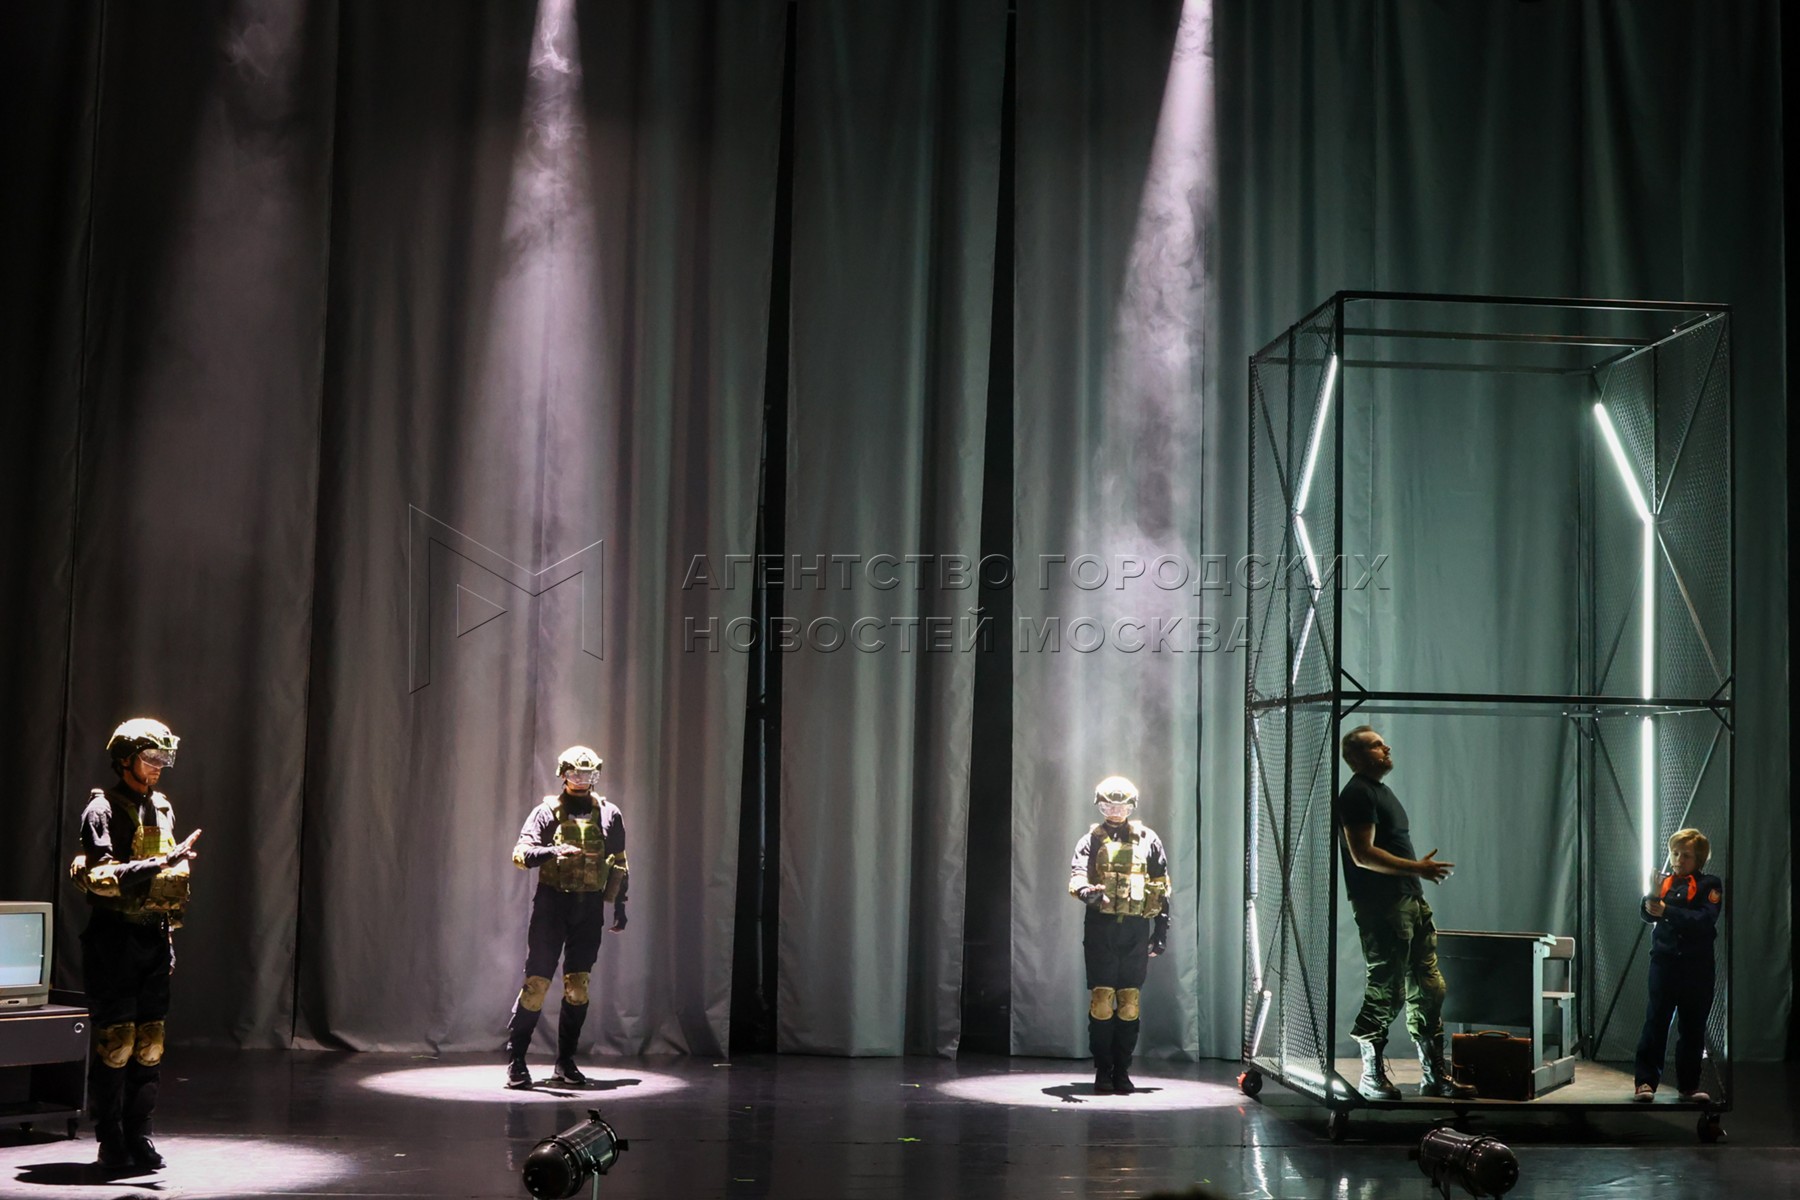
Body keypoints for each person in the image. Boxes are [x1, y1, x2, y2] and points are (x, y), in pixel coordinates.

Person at [67, 718, 202, 1170]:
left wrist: (167, 933)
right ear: (125, 760)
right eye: (151, 758)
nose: (159, 766)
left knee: (150, 1044)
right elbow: (101, 877)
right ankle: (110, 1139)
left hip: (153, 938)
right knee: (118, 1043)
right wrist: (161, 863)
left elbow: (164, 882)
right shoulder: (101, 810)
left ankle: (139, 1134)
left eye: (165, 758)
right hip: (114, 940)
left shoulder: (161, 807)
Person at [1334, 726, 1475, 1101]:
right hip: (1382, 905)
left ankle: (1434, 1076)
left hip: (1409, 899)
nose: (1386, 747)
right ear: (1356, 757)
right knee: (1387, 990)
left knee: (1429, 988)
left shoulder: (1380, 792)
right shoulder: (1357, 794)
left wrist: (1415, 877)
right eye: (1376, 745)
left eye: (1384, 743)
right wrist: (1417, 868)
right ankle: (1371, 1076)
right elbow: (1362, 855)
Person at [505, 746, 628, 1089]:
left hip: (588, 910)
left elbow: (619, 861)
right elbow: (521, 854)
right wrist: (553, 851)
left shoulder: (609, 814)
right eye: (575, 773)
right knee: (537, 984)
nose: (581, 779)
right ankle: (516, 1061)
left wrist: (620, 905)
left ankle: (565, 1061)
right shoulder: (546, 813)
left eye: (588, 773)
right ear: (563, 774)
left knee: (578, 987)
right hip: (552, 907)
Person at [1068, 775, 1170, 1096]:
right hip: (1101, 930)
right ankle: (1103, 1070)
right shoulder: (1090, 840)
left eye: (1121, 805)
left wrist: (1161, 931)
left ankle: (1122, 1071)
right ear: (1099, 806)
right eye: (1108, 805)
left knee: (1129, 1004)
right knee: (1101, 1002)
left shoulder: (1148, 839)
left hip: (1136, 931)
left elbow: (1161, 886)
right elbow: (1077, 877)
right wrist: (1089, 893)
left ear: (1131, 806)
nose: (1115, 811)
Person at [1633, 828, 1722, 1103]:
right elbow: (1648, 915)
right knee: (1656, 1021)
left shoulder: (1710, 885)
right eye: (1675, 853)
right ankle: (1645, 1083)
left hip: (1697, 967)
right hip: (1665, 963)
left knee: (1693, 1025)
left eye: (1686, 855)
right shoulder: (1666, 882)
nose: (1678, 860)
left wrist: (1668, 911)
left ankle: (1689, 1087)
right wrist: (1651, 896)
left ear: (1699, 860)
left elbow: (1704, 920)